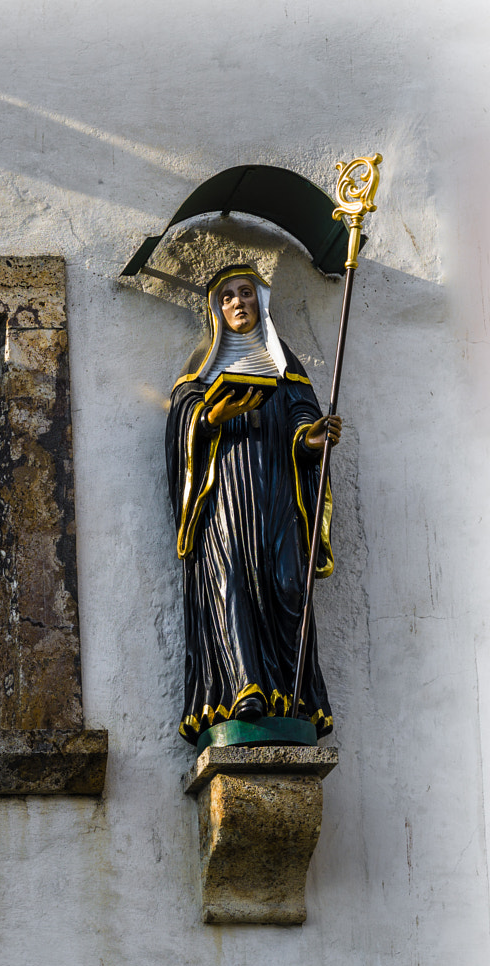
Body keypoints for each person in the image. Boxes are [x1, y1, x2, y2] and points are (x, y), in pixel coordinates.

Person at [165, 263, 341, 746]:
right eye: (227, 296)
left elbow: (304, 423)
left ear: (259, 304)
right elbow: (182, 429)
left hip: (278, 494)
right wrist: (211, 416)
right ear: (217, 311)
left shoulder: (287, 373)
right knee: (231, 586)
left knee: (288, 584)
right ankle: (243, 689)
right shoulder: (199, 376)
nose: (238, 302)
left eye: (246, 293)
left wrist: (314, 437)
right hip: (224, 499)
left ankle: (293, 695)